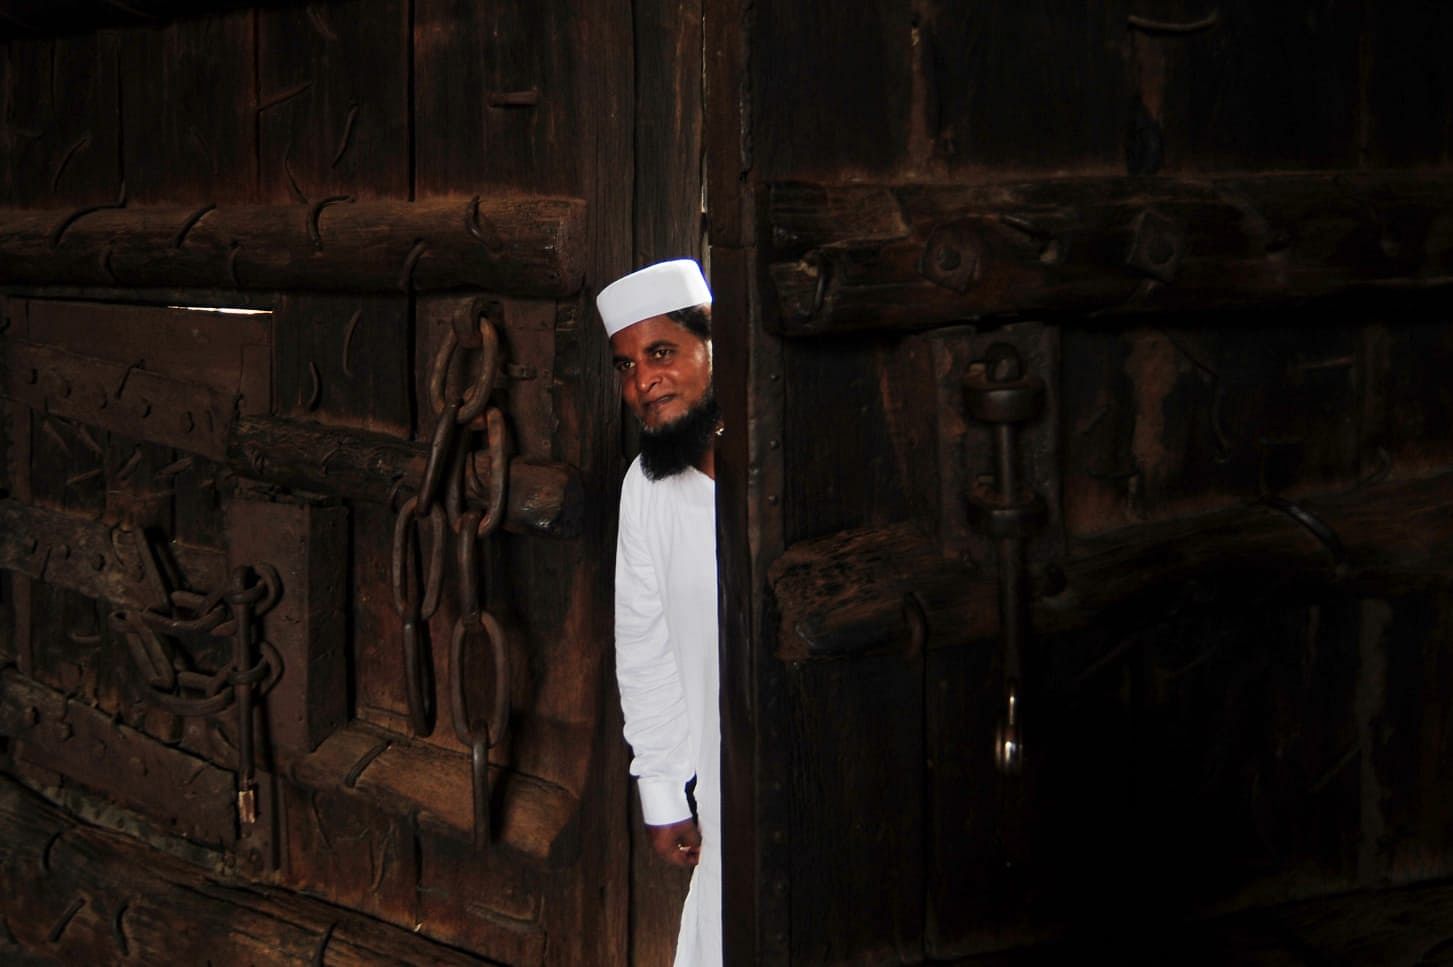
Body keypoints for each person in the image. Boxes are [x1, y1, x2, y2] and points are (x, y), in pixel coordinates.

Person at [598, 259, 721, 966]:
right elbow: (642, 647)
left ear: (712, 346)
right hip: (722, 785)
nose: (642, 384)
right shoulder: (645, 487)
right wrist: (661, 787)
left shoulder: (780, 460)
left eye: (661, 353)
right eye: (626, 365)